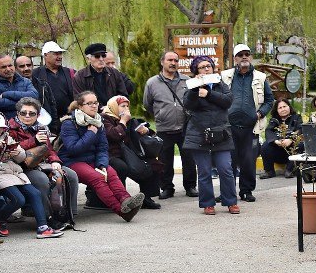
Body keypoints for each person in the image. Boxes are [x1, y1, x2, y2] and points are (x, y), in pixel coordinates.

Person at [58, 91, 145, 221]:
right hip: (73, 161)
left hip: (92, 160)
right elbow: (73, 149)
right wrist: (91, 133)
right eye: (89, 103)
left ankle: (127, 200)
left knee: (111, 172)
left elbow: (103, 148)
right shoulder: (69, 123)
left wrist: (102, 164)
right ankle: (122, 211)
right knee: (97, 178)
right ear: (80, 106)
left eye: (96, 102)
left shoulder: (98, 122)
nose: (94, 106)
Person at [0, 112, 64, 239]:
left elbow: (22, 158)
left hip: (16, 173)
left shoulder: (8, 137)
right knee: (18, 199)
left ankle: (43, 227)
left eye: (1, 127)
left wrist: (16, 152)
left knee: (35, 194)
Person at [7, 97, 81, 224]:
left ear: (38, 115)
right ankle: (48, 217)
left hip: (41, 163)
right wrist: (34, 141)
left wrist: (55, 161)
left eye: (32, 113)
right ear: (18, 113)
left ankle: (68, 214)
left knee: (70, 175)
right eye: (23, 113)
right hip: (21, 166)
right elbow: (12, 149)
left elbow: (49, 149)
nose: (27, 116)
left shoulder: (41, 128)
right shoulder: (10, 128)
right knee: (41, 179)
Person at [184, 56, 238, 215]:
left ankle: (231, 201)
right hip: (199, 134)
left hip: (221, 134)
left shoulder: (221, 84)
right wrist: (195, 89)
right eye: (202, 67)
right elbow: (189, 105)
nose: (206, 69)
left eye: (208, 66)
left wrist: (207, 94)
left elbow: (227, 101)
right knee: (205, 171)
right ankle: (208, 203)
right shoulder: (192, 87)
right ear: (196, 71)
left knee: (225, 168)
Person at [221, 44, 273, 203]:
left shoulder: (261, 77)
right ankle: (227, 192)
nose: (244, 57)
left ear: (250, 57)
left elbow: (269, 100)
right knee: (227, 162)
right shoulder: (224, 76)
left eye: (247, 54)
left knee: (249, 161)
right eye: (240, 54)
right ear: (235, 58)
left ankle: (246, 191)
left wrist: (259, 113)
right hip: (229, 128)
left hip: (251, 128)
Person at [143, 51, 198, 199]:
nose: (173, 63)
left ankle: (190, 186)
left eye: (175, 60)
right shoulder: (152, 83)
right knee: (164, 161)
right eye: (169, 60)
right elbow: (148, 104)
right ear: (162, 62)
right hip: (164, 128)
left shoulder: (187, 80)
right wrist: (161, 113)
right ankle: (167, 188)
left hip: (185, 127)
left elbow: (193, 101)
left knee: (189, 159)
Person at [101, 96, 162, 210]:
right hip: (112, 154)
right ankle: (120, 199)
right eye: (122, 106)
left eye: (127, 106)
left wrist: (146, 131)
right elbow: (113, 135)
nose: (126, 109)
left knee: (153, 164)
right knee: (121, 167)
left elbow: (146, 132)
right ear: (113, 106)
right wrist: (123, 121)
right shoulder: (105, 118)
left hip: (129, 152)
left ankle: (146, 198)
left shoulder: (128, 119)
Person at [30, 41, 76, 134]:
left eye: (60, 53)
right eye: (56, 54)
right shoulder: (35, 74)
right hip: (46, 120)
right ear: (46, 55)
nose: (60, 56)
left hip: (69, 119)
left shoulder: (71, 73)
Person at [259, 99, 303, 180]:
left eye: (285, 106)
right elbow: (269, 131)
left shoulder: (297, 117)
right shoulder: (274, 120)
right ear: (277, 110)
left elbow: (300, 130)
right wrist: (276, 141)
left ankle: (290, 170)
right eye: (280, 108)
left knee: (300, 144)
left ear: (289, 107)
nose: (283, 109)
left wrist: (290, 140)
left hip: (291, 152)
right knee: (265, 145)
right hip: (278, 151)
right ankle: (269, 171)